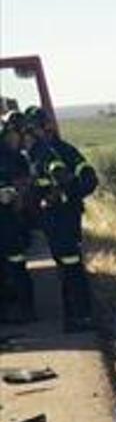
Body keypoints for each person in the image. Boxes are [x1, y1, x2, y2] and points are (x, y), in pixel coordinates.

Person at [26, 107, 98, 332]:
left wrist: (64, 196)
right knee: (67, 268)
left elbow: (88, 180)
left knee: (70, 268)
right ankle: (75, 317)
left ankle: (80, 317)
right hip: (56, 222)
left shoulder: (54, 153)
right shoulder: (44, 154)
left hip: (62, 221)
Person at [0, 110, 33, 324]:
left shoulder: (19, 159)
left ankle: (26, 309)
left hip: (12, 221)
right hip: (6, 219)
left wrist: (18, 193)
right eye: (14, 134)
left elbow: (25, 184)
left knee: (16, 265)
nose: (18, 139)